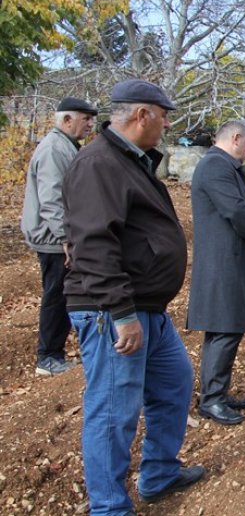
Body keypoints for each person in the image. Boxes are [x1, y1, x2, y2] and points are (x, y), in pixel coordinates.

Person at [63, 80, 204, 513]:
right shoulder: (99, 163)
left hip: (147, 309)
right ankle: (109, 507)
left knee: (174, 383)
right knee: (112, 411)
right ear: (142, 114)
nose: (166, 124)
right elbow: (93, 244)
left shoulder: (130, 161)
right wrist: (121, 311)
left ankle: (158, 474)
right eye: (164, 116)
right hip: (113, 312)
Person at [187, 120, 245, 425]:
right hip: (222, 261)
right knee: (225, 328)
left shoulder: (224, 166)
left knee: (225, 328)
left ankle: (217, 393)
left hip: (230, 258)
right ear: (235, 138)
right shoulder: (215, 167)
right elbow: (237, 210)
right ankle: (212, 399)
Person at [21, 97, 96, 377]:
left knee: (63, 294)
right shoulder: (54, 149)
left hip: (57, 236)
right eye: (85, 118)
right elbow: (51, 199)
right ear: (67, 120)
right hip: (53, 239)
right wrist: (66, 239)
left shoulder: (64, 145)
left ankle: (54, 353)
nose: (90, 124)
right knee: (57, 296)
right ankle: (48, 357)